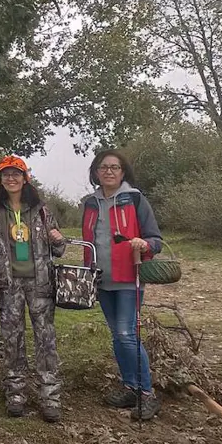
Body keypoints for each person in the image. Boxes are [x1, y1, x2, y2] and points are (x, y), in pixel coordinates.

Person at [0, 156, 68, 421]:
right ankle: (15, 392)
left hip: (40, 285)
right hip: (8, 286)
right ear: (0, 180)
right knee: (12, 340)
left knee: (45, 340)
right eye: (5, 174)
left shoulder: (41, 209)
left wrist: (58, 239)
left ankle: (50, 396)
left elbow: (59, 248)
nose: (11, 179)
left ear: (25, 177)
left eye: (16, 174)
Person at [82, 149, 164, 421]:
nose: (108, 171)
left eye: (114, 167)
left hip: (130, 278)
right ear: (95, 172)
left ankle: (147, 393)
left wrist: (145, 244)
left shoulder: (136, 199)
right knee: (117, 336)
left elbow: (155, 239)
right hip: (102, 279)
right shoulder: (89, 203)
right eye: (103, 167)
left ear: (122, 172)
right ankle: (130, 386)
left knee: (127, 334)